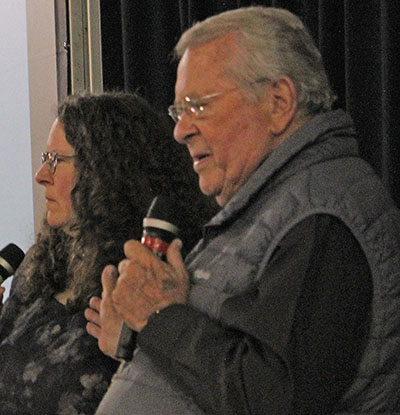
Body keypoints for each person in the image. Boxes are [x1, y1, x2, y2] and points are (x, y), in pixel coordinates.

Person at [88, 6, 400, 414]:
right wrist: (140, 333)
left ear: (278, 101)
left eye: (198, 105)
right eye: (178, 111)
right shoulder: (272, 203)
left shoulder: (323, 215)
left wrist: (158, 316)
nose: (181, 130)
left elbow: (273, 397)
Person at [0, 92, 215, 415]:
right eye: (45, 159)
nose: (41, 175)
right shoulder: (36, 270)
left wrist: (131, 350)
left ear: (107, 170)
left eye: (55, 161)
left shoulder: (148, 279)